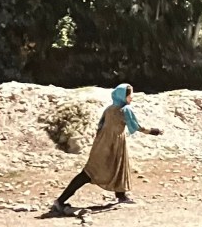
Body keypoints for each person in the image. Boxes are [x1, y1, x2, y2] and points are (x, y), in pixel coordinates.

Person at [51, 83, 162, 214]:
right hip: (113, 144)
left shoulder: (109, 109)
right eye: (130, 95)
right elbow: (137, 127)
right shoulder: (125, 110)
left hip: (102, 143)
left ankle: (121, 195)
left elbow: (100, 126)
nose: (132, 97)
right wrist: (154, 131)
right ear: (123, 96)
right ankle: (60, 201)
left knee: (109, 168)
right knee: (91, 173)